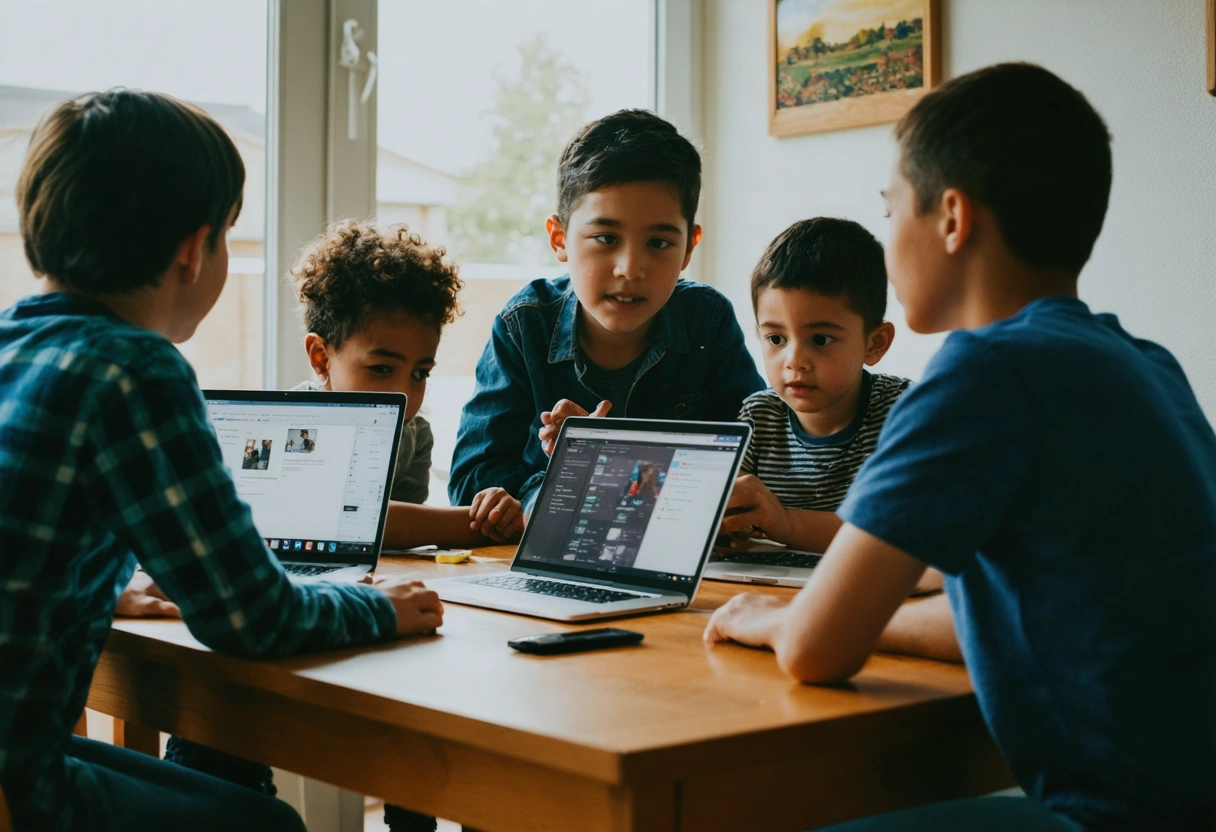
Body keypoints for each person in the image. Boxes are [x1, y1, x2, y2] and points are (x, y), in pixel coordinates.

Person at [705, 63, 1216, 830]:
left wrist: (768, 617)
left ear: (951, 218)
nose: (888, 240)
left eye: (890, 211)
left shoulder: (983, 370)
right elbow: (1039, 612)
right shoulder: (1144, 364)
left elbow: (818, 650)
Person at [0, 89, 443, 832]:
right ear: (192, 250)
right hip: (20, 781)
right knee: (264, 826)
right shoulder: (133, 369)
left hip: (16, 751)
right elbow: (251, 618)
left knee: (223, 790)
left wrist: (92, 591)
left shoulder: (15, 345)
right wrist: (379, 606)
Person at [158, 219, 522, 832]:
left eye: (420, 371)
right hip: (275, 603)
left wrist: (476, 520)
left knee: (425, 696)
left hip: (356, 606)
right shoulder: (300, 423)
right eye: (382, 368)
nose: (406, 393)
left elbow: (384, 549)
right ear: (321, 357)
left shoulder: (411, 430)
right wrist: (466, 524)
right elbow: (375, 522)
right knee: (226, 719)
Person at [447, 109, 766, 510]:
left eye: (659, 243)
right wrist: (567, 477)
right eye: (605, 238)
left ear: (689, 247)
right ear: (560, 239)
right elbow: (471, 480)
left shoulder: (708, 320)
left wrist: (612, 463)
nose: (630, 268)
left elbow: (757, 460)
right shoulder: (524, 325)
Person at [722, 218, 912, 557]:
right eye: (776, 338)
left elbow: (894, 533)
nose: (794, 361)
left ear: (875, 343)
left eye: (821, 339)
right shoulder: (759, 415)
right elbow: (735, 513)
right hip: (765, 581)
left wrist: (786, 523)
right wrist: (727, 528)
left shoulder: (902, 412)